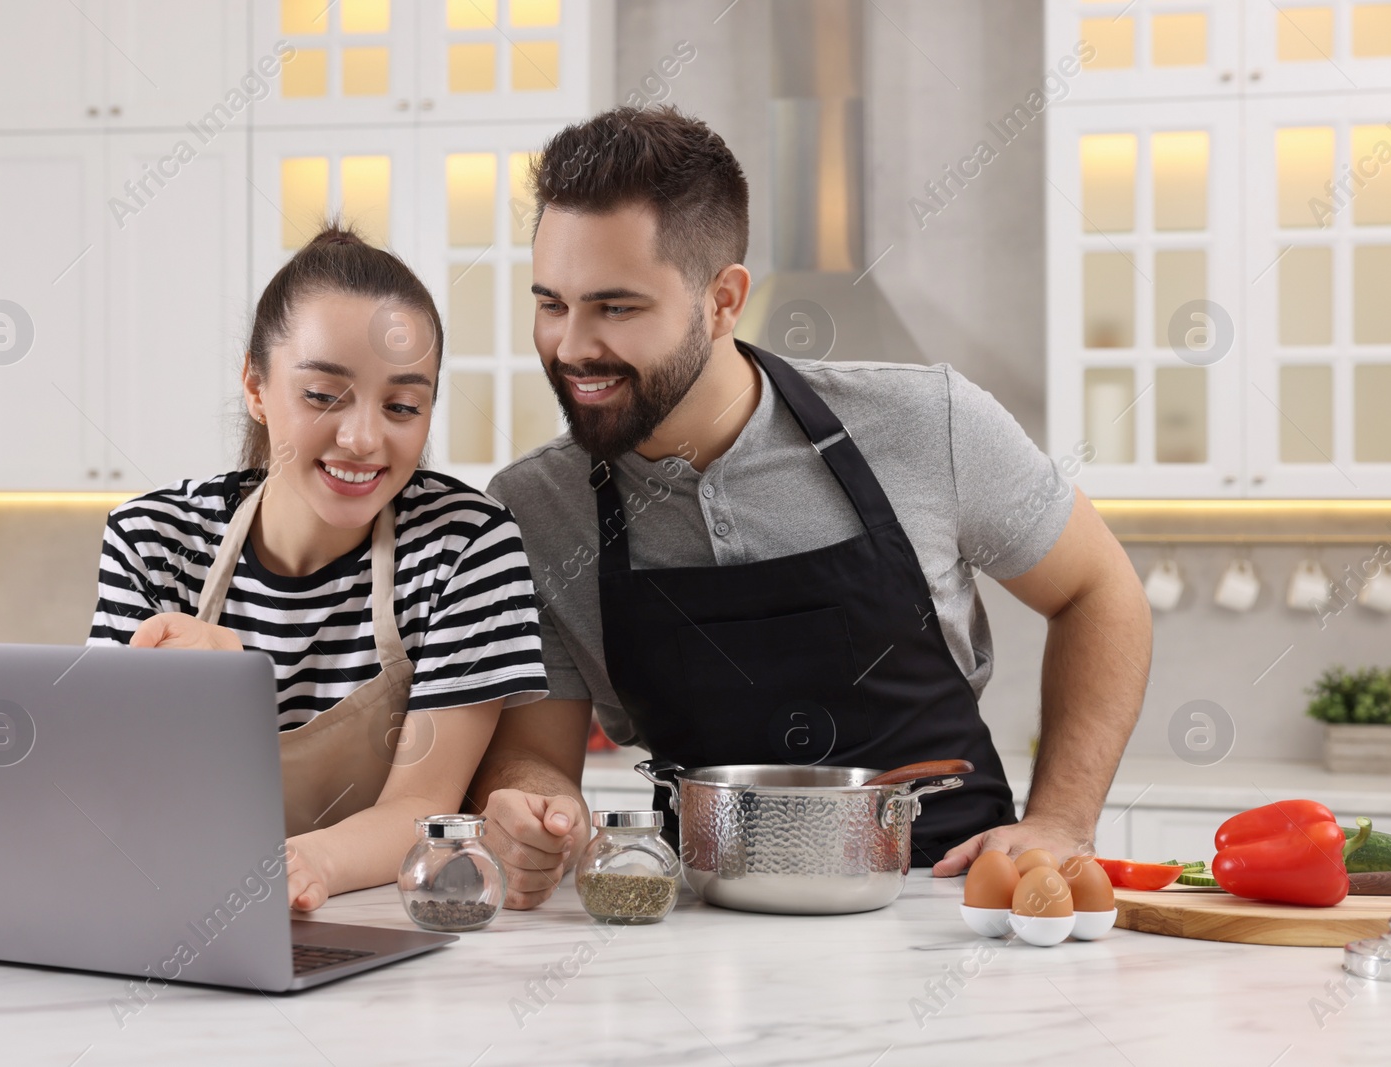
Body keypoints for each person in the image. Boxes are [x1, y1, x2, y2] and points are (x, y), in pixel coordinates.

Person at [466, 106, 1151, 909]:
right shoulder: (530, 508)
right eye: (552, 303)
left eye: (616, 308)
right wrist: (527, 803)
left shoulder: (927, 423)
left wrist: (1063, 816)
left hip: (945, 904)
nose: (573, 346)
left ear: (723, 300)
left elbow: (1101, 591)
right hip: (701, 923)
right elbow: (538, 755)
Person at [88, 221, 548, 911]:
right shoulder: (152, 539)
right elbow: (111, 800)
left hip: (380, 921)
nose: (363, 438)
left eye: (401, 405)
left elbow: (423, 804)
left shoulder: (466, 546)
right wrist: (200, 707)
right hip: (178, 907)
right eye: (321, 395)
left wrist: (306, 866)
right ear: (255, 385)